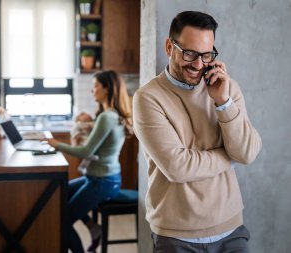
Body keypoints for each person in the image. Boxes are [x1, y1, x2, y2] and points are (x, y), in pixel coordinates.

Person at [133, 11, 262, 252]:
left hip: (231, 230)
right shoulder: (148, 98)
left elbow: (246, 153)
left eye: (206, 55)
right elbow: (177, 167)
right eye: (190, 53)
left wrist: (223, 103)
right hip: (176, 236)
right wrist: (228, 157)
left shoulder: (225, 87)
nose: (199, 64)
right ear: (169, 47)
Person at [44, 70, 133, 253]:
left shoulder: (107, 117)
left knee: (64, 219)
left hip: (103, 182)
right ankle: (94, 227)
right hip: (100, 179)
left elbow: (86, 151)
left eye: (95, 86)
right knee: (60, 192)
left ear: (107, 88)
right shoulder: (109, 115)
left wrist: (56, 144)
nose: (92, 90)